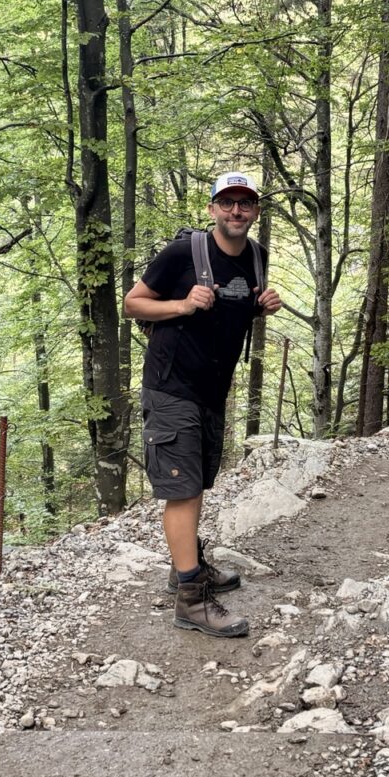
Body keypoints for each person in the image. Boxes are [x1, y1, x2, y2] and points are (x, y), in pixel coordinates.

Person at [123, 172, 282, 637]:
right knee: (183, 490)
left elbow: (234, 307)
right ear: (212, 208)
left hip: (212, 390)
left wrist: (260, 305)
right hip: (170, 387)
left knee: (197, 484)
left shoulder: (256, 256)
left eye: (245, 203)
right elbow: (133, 304)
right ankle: (190, 599)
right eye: (227, 202)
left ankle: (186, 566)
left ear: (255, 211)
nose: (236, 211)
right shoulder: (182, 253)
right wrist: (182, 305)